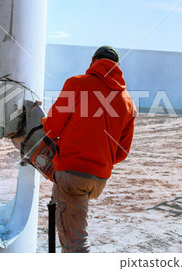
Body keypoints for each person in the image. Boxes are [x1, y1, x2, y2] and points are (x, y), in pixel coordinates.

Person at [42, 46, 137, 253]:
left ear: (93, 61)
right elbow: (122, 152)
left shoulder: (76, 83)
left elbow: (52, 128)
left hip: (72, 175)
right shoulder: (128, 102)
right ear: (117, 67)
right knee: (70, 231)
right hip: (99, 180)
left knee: (75, 245)